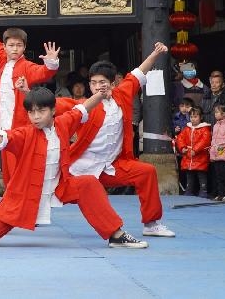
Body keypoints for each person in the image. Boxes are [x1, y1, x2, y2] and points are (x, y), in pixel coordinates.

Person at [0, 86, 147, 248]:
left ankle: (115, 234)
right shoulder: (25, 134)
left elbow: (83, 108)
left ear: (53, 110)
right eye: (31, 112)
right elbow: (1, 137)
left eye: (41, 111)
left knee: (88, 183)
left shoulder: (64, 123)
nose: (35, 117)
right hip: (25, 196)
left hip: (59, 188)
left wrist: (100, 95)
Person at [61, 42, 175, 238]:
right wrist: (28, 94)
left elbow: (139, 72)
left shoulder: (122, 95)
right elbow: (53, 106)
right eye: (93, 83)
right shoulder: (83, 105)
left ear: (113, 84)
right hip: (80, 167)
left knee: (146, 172)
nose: (98, 87)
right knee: (52, 194)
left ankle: (151, 223)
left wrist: (156, 53)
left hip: (111, 167)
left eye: (102, 82)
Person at [0, 8, 60, 183]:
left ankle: (18, 196)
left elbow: (44, 72)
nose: (15, 49)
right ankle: (10, 196)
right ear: (5, 47)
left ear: (24, 47)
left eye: (19, 45)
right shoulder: (2, 59)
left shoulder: (27, 66)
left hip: (19, 125)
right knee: (7, 170)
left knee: (18, 169)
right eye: (11, 45)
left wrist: (51, 62)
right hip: (2, 123)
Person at [175, 107, 212, 198]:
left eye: (195, 117)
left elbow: (205, 141)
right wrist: (182, 147)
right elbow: (180, 138)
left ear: (201, 117)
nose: (193, 119)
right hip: (189, 155)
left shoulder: (204, 129)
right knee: (189, 174)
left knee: (201, 174)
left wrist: (195, 150)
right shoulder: (187, 128)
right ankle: (189, 190)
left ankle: (203, 190)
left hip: (200, 156)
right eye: (191, 117)